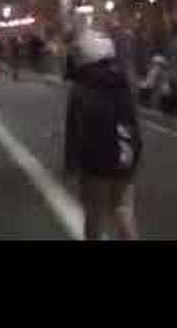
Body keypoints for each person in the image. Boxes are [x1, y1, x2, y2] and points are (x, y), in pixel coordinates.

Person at [64, 26, 142, 240]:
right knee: (124, 209)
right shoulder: (122, 82)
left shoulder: (80, 88)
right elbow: (132, 120)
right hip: (125, 153)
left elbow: (74, 131)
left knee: (94, 216)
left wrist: (70, 166)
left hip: (95, 159)